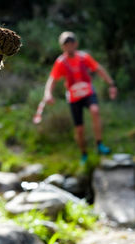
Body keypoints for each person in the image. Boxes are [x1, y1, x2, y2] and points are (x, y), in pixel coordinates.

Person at [42, 31, 117, 164]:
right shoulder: (61, 62)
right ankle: (84, 154)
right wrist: (48, 94)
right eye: (66, 45)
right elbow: (52, 79)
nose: (69, 47)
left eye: (71, 44)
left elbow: (99, 69)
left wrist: (111, 84)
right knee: (79, 129)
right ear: (62, 47)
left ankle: (99, 144)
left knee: (95, 110)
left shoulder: (84, 57)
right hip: (74, 98)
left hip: (88, 92)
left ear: (75, 44)